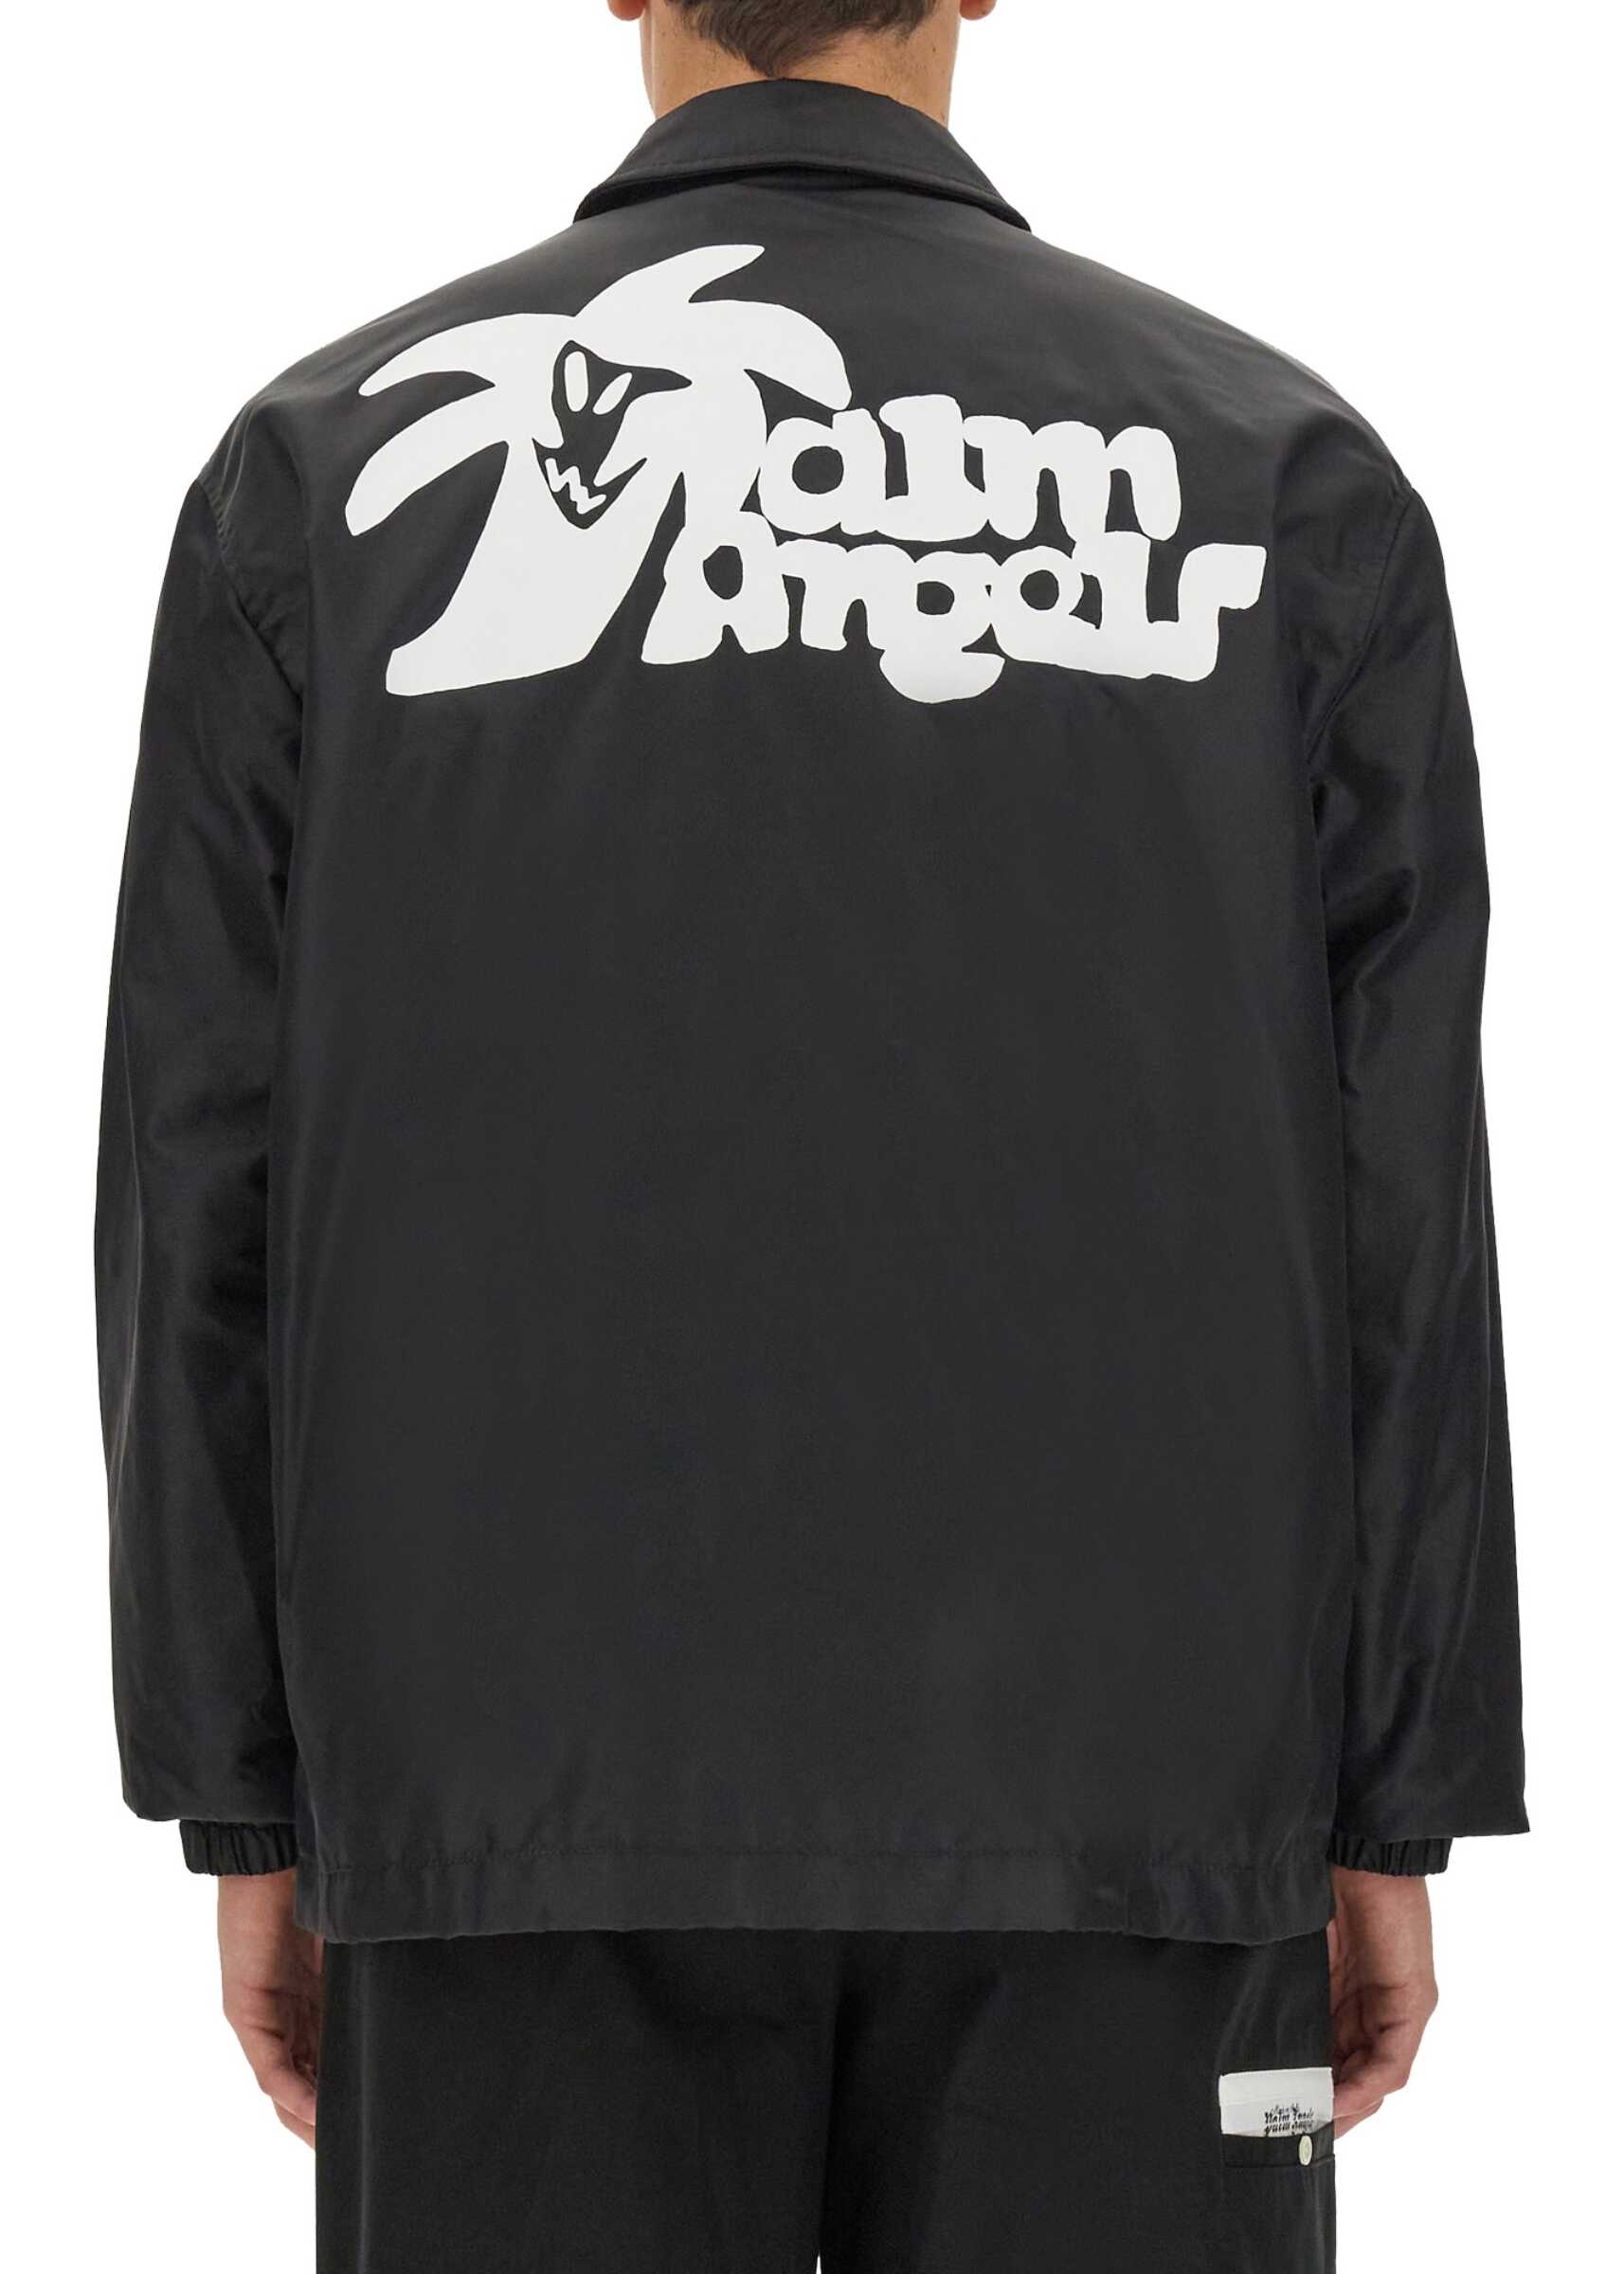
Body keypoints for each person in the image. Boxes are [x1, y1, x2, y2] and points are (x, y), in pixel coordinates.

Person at [95, 2, 1526, 2266]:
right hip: (1142, 1814)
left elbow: (204, 1170)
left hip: (502, 1812)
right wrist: (1391, 1792)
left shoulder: (328, 475)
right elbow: (1400, 1198)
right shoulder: (1271, 474)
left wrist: (244, 1795)